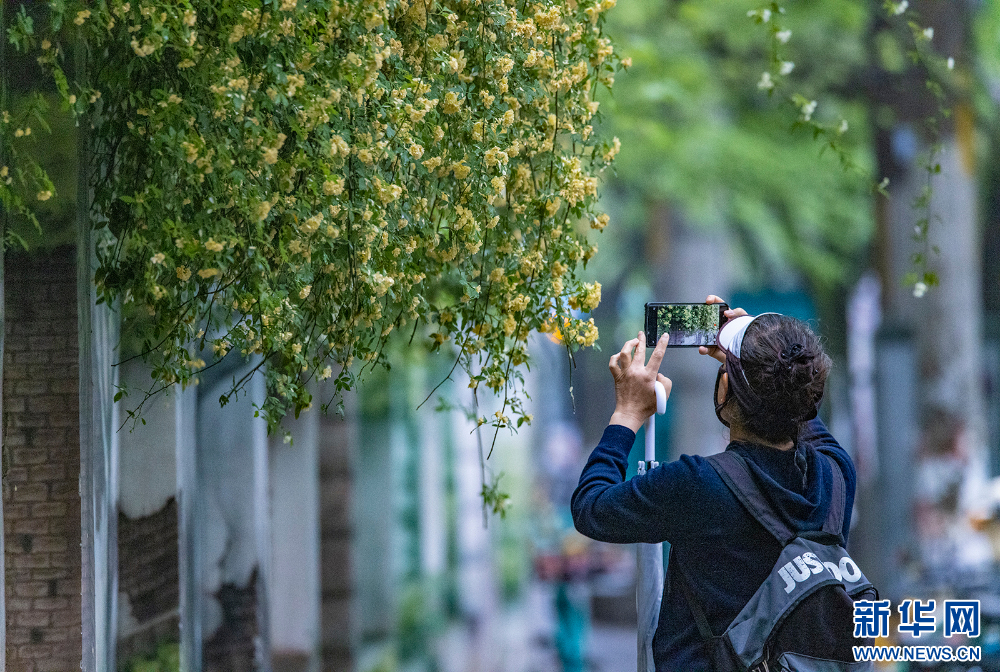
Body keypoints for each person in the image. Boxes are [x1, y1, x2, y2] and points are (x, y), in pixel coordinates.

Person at [571, 295, 857, 671]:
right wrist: (765, 352)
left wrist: (627, 413)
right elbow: (802, 409)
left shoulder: (698, 485)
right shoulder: (837, 476)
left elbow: (591, 508)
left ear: (726, 393)